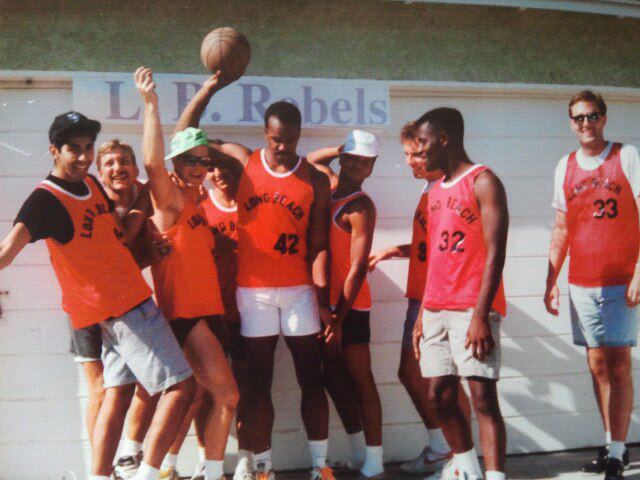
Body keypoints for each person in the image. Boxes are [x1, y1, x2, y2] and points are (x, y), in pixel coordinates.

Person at [0, 111, 195, 480]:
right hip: (123, 308)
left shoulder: (90, 183)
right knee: (182, 388)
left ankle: (99, 478)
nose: (84, 157)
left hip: (120, 305)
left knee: (118, 394)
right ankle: (148, 475)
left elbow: (113, 237)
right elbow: (7, 251)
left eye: (89, 148)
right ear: (53, 150)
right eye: (74, 149)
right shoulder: (45, 200)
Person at [184, 71, 335, 480]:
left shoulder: (316, 180)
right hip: (252, 294)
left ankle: (320, 466)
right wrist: (209, 89)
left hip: (300, 291)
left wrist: (323, 301)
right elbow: (187, 136)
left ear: (300, 133)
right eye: (275, 139)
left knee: (311, 377)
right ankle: (263, 467)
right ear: (264, 135)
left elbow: (320, 244)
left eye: (290, 138)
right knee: (257, 382)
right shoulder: (243, 161)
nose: (283, 147)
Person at [134, 67, 239, 480]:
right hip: (186, 315)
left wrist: (208, 89)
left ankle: (167, 470)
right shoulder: (171, 200)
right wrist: (151, 105)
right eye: (190, 161)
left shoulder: (197, 202)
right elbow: (151, 160)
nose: (199, 167)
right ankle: (209, 474)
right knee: (228, 396)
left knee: (195, 398)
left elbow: (186, 136)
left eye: (204, 160)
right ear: (176, 163)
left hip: (207, 312)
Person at [544, 90, 640, 480]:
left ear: (603, 119)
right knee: (597, 365)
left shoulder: (626, 155)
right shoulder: (565, 166)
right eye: (579, 117)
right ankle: (610, 444)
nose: (586, 123)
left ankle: (619, 453)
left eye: (593, 116)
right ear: (571, 123)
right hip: (582, 282)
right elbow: (562, 228)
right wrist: (551, 280)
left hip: (620, 282)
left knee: (618, 366)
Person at [368, 122, 470, 475]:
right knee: (412, 373)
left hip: (440, 297)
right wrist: (393, 250)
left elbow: (455, 252)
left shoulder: (450, 189)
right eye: (407, 155)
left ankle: (462, 458)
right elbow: (430, 246)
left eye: (415, 154)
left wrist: (431, 304)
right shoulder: (430, 190)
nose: (409, 161)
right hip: (421, 294)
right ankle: (443, 447)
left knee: (446, 379)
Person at [412, 108, 508, 480]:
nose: (420, 152)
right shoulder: (436, 190)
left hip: (471, 308)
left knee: (483, 398)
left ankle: (496, 476)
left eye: (424, 142)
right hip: (436, 306)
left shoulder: (483, 181)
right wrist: (422, 313)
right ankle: (465, 468)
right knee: (439, 396)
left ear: (445, 139)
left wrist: (481, 314)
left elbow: (496, 252)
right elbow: (435, 256)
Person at [308, 130, 385, 479]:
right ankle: (357, 449)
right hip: (323, 303)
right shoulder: (330, 185)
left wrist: (338, 317)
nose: (355, 164)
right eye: (350, 157)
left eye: (363, 161)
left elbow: (357, 267)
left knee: (360, 378)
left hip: (349, 306)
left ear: (371, 167)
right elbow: (311, 160)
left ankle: (375, 458)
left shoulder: (359, 206)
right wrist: (340, 149)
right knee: (331, 376)